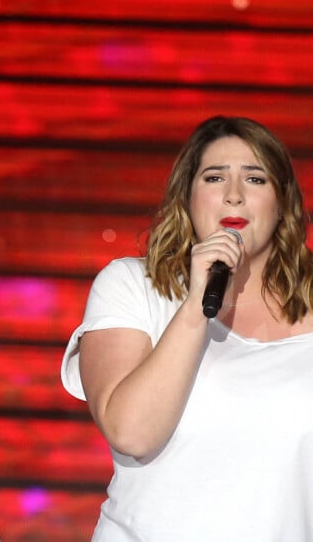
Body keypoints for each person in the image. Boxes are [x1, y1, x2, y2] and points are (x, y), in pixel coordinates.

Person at [61, 115, 313, 540]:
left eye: (255, 179)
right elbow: (132, 432)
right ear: (188, 196)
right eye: (215, 178)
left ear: (283, 201)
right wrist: (196, 303)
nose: (234, 197)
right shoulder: (134, 286)